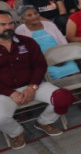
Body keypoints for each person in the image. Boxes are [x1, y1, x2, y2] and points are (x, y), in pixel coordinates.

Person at [0, 10, 74, 149]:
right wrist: (11, 93)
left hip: (33, 85)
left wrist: (32, 87)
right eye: (3, 24)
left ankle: (44, 122)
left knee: (64, 98)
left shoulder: (27, 41)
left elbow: (40, 65)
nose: (8, 27)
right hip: (4, 92)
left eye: (10, 23)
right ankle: (16, 133)